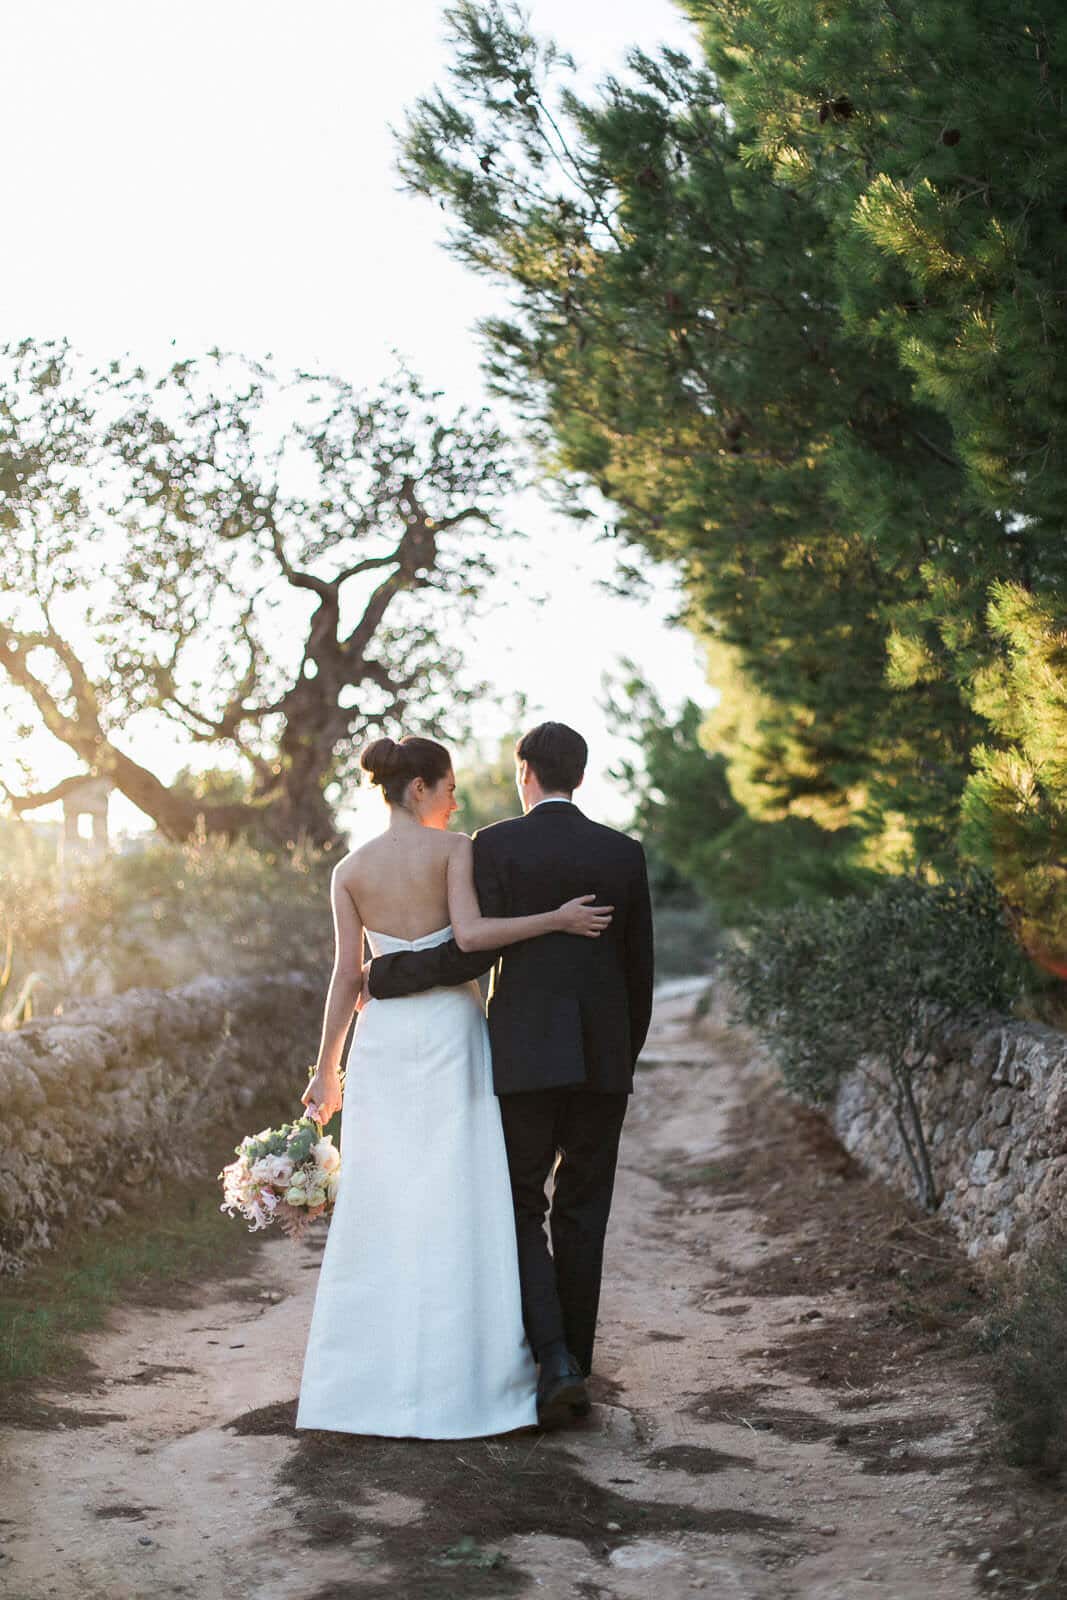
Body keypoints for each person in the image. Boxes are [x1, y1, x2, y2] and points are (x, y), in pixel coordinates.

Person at [294, 733, 612, 1440]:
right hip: (449, 1035)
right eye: (448, 788)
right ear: (419, 790)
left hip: (379, 1047)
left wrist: (325, 1070)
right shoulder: (455, 849)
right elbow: (471, 939)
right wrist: (557, 920)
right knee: (464, 1195)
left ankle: (363, 1381)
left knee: (383, 1199)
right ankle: (475, 1373)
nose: (455, 801)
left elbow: (348, 976)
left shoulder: (349, 868)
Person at [360, 721, 654, 1429]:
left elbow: (468, 955)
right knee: (584, 1213)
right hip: (600, 1066)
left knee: (520, 1207)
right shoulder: (622, 853)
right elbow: (638, 974)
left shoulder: (495, 845)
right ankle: (575, 1368)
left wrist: (385, 974)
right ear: (579, 776)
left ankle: (549, 1359)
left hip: (522, 1062)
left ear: (525, 771)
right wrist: (620, 1056)